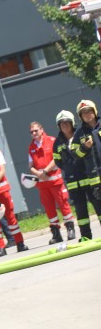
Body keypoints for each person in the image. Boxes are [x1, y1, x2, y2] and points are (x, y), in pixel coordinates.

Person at [53, 110, 101, 240]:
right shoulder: (57, 143)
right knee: (81, 212)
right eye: (61, 124)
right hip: (73, 183)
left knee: (98, 205)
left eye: (66, 123)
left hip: (88, 178)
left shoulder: (80, 134)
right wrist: (69, 170)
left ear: (72, 123)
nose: (64, 126)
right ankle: (86, 236)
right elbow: (58, 162)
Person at [27, 121, 76, 244]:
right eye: (31, 132)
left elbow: (56, 158)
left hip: (55, 182)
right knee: (49, 210)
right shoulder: (31, 147)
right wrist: (38, 174)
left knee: (63, 205)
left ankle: (70, 229)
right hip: (43, 185)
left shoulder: (52, 140)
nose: (34, 133)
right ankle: (56, 234)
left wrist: (45, 171)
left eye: (36, 130)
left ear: (42, 129)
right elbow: (30, 166)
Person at [72, 100, 101, 235]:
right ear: (80, 116)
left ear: (94, 111)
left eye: (89, 111)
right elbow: (75, 155)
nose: (87, 114)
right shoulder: (79, 134)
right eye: (83, 113)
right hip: (95, 177)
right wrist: (85, 147)